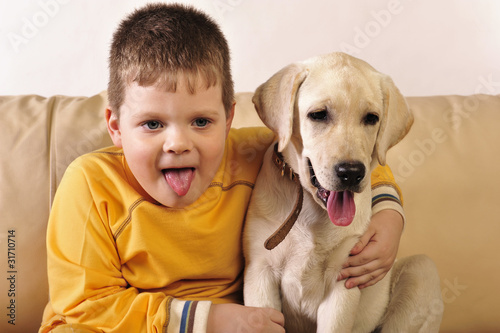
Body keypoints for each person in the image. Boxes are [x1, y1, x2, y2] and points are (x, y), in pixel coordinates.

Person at [40, 3, 405, 332]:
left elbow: (346, 161)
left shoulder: (255, 153)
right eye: (152, 124)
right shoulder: (90, 183)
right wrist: (206, 319)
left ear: (228, 119)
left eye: (201, 121)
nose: (178, 143)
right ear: (116, 127)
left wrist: (389, 216)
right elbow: (84, 305)